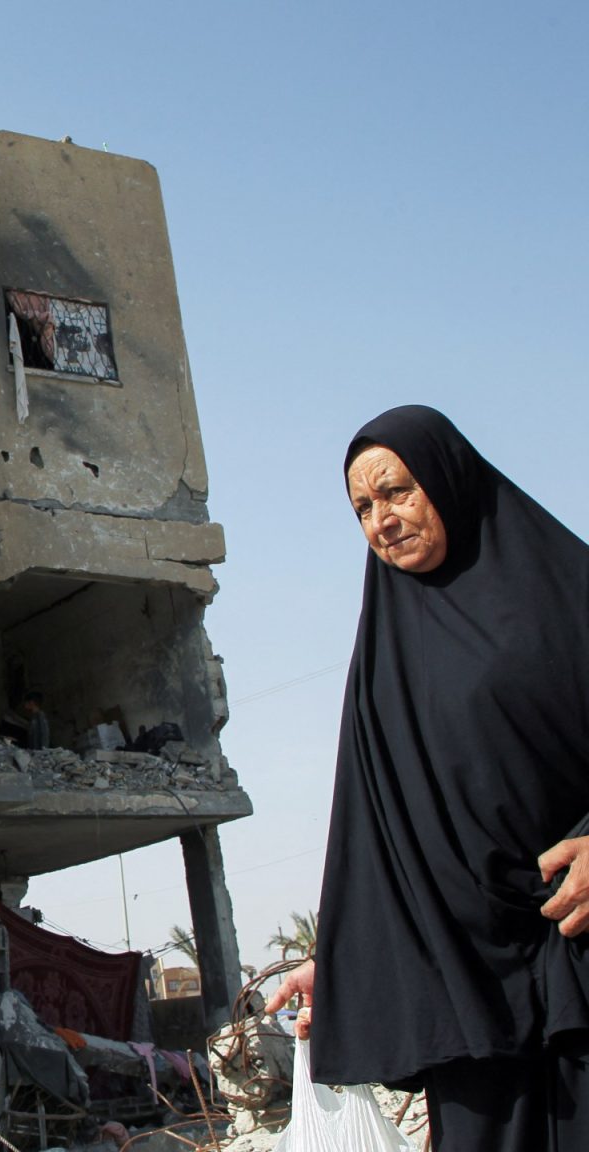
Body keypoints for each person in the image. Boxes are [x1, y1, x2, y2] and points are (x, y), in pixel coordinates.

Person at [264, 405, 589, 1150]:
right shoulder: (385, 658)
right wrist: (338, 963)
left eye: (396, 491)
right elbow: (374, 834)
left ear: (448, 478)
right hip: (467, 993)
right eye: (362, 508)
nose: (382, 521)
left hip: (579, 950)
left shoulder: (568, 594)